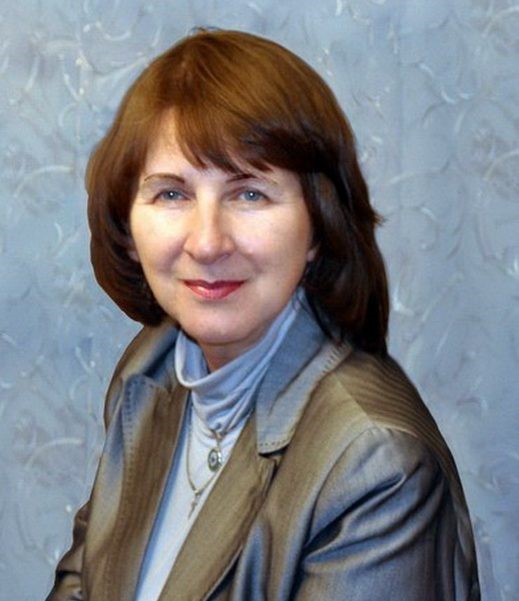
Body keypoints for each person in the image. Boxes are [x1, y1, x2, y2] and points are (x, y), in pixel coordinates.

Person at [46, 29, 480, 600]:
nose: (207, 242)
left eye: (249, 194)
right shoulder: (151, 371)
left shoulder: (376, 466)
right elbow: (86, 582)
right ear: (127, 227)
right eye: (172, 194)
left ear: (318, 226)